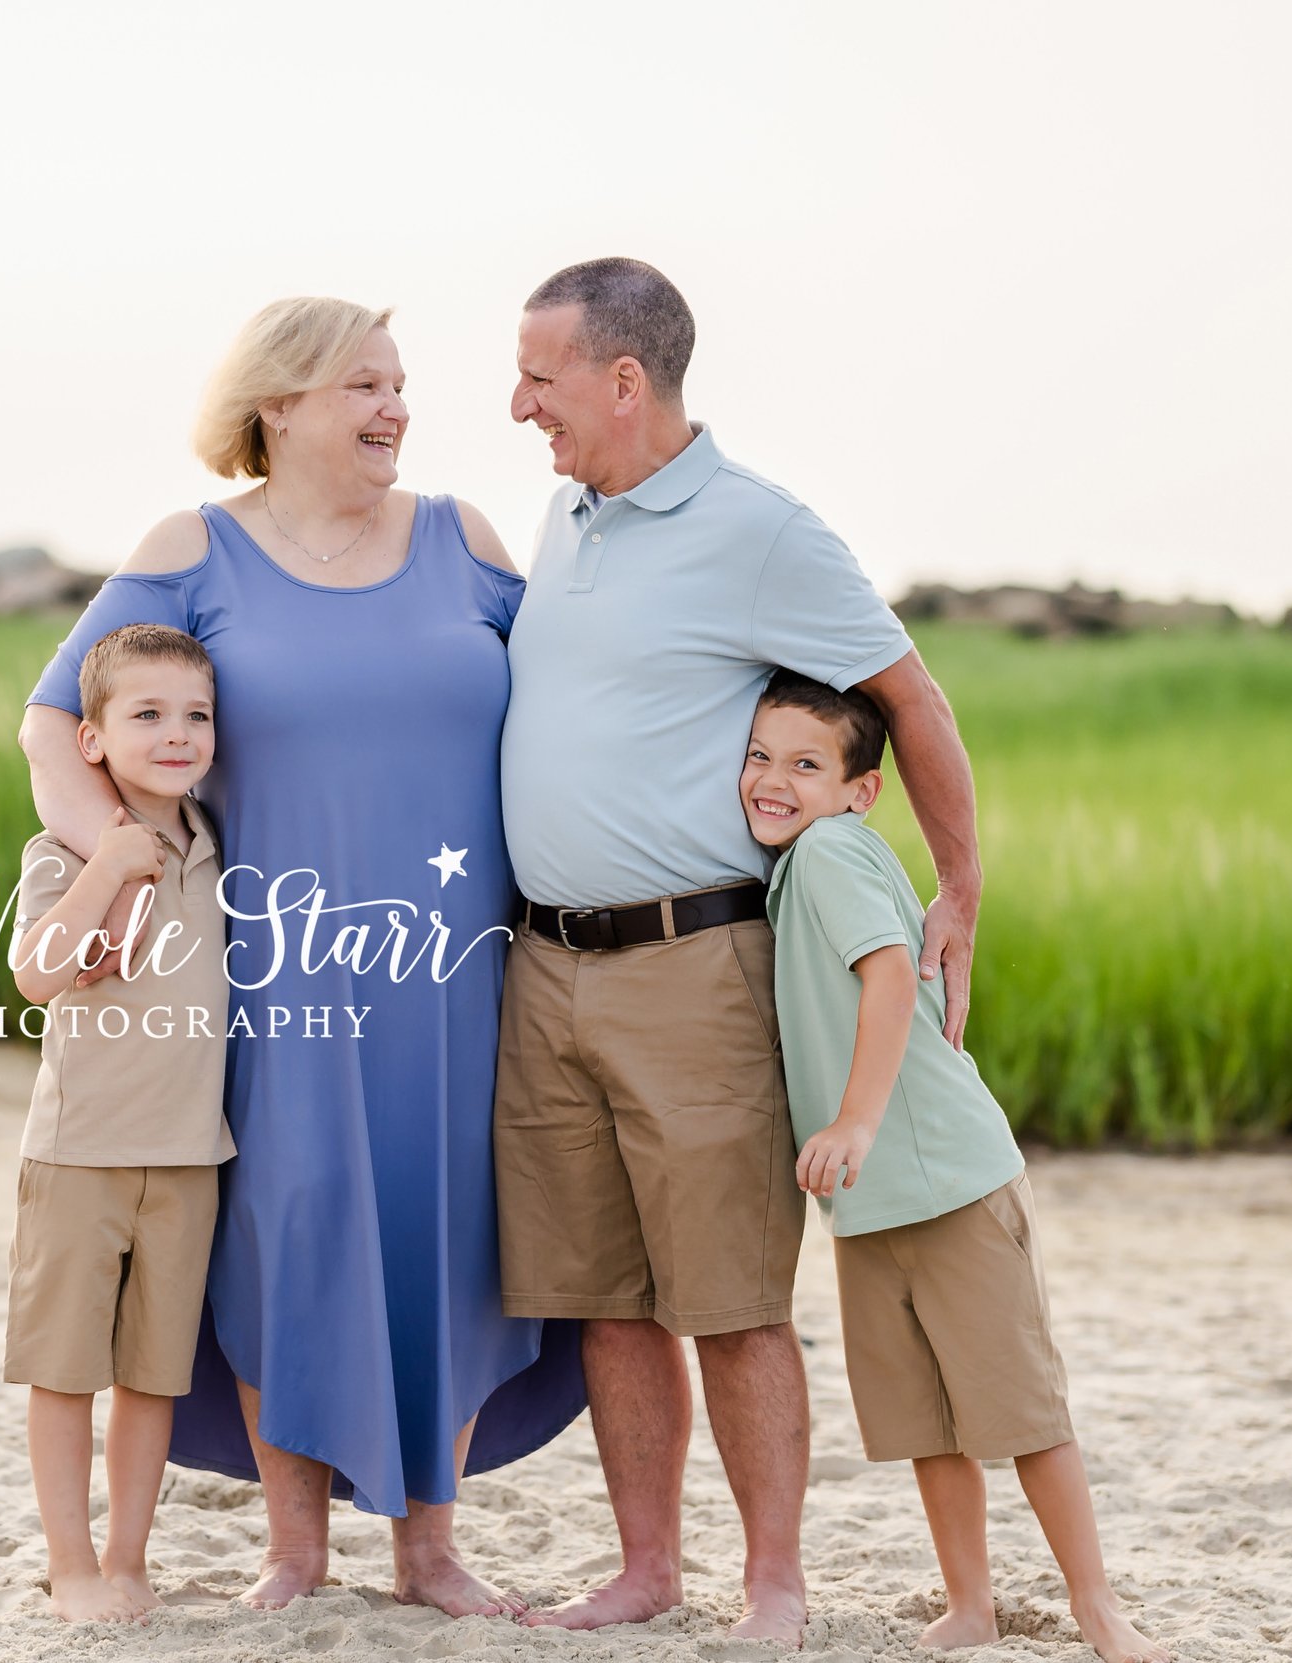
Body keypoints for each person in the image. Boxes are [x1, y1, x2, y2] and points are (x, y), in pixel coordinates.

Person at [18, 297, 585, 1618]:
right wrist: (121, 864)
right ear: (278, 404)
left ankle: (432, 1547)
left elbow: (582, 700)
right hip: (275, 971)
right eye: (365, 387)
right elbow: (55, 721)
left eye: (400, 387)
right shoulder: (192, 548)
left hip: (460, 965)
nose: (396, 409)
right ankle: (295, 1548)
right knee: (291, 1229)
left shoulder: (465, 541)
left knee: (449, 1226)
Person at [493, 257, 987, 1641]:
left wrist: (958, 885)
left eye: (541, 375)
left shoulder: (761, 529)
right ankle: (649, 1566)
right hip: (545, 967)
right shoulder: (565, 512)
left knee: (729, 1294)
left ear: (624, 379)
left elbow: (909, 691)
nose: (519, 400)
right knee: (604, 1293)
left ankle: (774, 1580)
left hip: (693, 969)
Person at [743, 670, 1170, 1663]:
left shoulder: (830, 850)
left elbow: (891, 976)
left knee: (1022, 1410)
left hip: (944, 1178)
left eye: (805, 763)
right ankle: (970, 1605)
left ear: (860, 790)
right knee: (927, 1418)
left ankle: (1097, 1607)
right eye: (759, 756)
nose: (773, 779)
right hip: (871, 1202)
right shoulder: (797, 860)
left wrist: (853, 1121)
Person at [4, 623, 232, 1622]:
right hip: (80, 1153)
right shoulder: (61, 848)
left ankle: (128, 1557)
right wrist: (108, 864)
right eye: (146, 714)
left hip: (189, 1157)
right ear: (90, 739)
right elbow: (32, 973)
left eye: (196, 715)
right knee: (65, 1370)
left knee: (151, 1377)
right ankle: (71, 1562)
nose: (176, 733)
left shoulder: (220, 842)